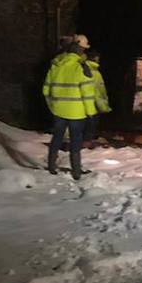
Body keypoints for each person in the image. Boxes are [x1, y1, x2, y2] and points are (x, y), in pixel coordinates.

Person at [43, 33, 99, 180]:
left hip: (58, 110)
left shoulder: (56, 64)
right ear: (80, 49)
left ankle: (51, 166)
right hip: (77, 112)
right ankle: (76, 171)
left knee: (57, 137)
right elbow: (87, 93)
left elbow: (46, 90)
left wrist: (53, 106)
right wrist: (91, 112)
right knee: (76, 140)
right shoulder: (82, 67)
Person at [85, 48, 112, 142]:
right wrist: (103, 104)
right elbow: (99, 91)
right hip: (93, 104)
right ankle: (87, 142)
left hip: (83, 103)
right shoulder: (95, 73)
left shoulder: (82, 69)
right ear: (95, 58)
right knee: (91, 126)